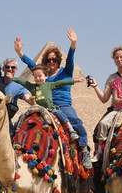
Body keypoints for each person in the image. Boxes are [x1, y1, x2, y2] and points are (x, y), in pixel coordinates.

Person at [14, 28, 91, 168]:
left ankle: (84, 150)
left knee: (76, 122)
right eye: (48, 59)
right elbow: (32, 65)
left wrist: (73, 44)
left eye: (54, 59)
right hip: (43, 106)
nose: (51, 62)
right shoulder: (42, 75)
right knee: (20, 122)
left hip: (63, 106)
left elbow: (71, 58)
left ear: (58, 60)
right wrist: (20, 53)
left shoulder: (66, 72)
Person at [13, 65, 83, 142]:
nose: (37, 78)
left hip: (50, 110)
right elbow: (23, 82)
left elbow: (61, 83)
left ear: (46, 76)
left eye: (40, 76)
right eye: (35, 77)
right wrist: (13, 78)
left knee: (59, 113)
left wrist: (74, 81)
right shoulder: (32, 87)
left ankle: (71, 130)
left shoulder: (49, 85)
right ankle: (16, 134)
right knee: (22, 116)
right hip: (37, 110)